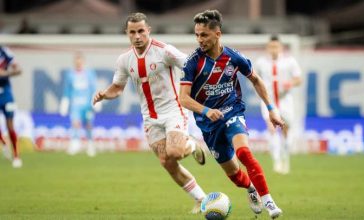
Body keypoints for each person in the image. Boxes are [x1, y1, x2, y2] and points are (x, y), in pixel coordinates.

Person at [92, 12, 207, 214]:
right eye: (132, 32)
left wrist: (192, 89)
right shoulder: (124, 60)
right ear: (127, 33)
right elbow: (117, 88)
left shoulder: (165, 51)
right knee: (166, 162)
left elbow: (191, 65)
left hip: (173, 110)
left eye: (141, 31)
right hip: (150, 118)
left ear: (149, 31)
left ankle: (192, 144)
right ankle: (201, 199)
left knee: (175, 152)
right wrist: (104, 94)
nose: (137, 36)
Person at [179, 10, 283, 218]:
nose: (200, 40)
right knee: (235, 175)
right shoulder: (192, 63)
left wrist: (271, 109)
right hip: (209, 124)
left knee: (244, 152)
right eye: (197, 35)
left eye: (204, 35)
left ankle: (269, 202)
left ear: (217, 34)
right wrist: (207, 111)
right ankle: (251, 189)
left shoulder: (234, 57)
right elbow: (184, 98)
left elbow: (256, 80)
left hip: (232, 110)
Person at [254, 35, 302, 174]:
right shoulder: (261, 62)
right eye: (271, 47)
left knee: (286, 129)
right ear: (267, 48)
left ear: (280, 48)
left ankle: (285, 158)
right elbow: (255, 79)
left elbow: (298, 79)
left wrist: (290, 83)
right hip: (269, 101)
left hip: (285, 100)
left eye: (276, 46)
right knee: (272, 127)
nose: (273, 49)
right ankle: (277, 162)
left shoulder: (289, 61)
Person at [60, 52, 98, 157]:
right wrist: (65, 103)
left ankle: (90, 144)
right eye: (77, 62)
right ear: (74, 63)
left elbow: (93, 88)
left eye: (80, 62)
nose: (78, 64)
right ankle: (75, 143)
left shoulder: (89, 74)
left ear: (83, 62)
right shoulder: (70, 75)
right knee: (75, 123)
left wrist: (97, 102)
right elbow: (67, 90)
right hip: (75, 104)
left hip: (87, 105)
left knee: (88, 124)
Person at [0, 46, 22, 168]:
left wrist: (7, 73)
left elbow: (18, 69)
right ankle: (4, 144)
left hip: (6, 95)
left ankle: (16, 156)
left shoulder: (4, 52)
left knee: (10, 125)